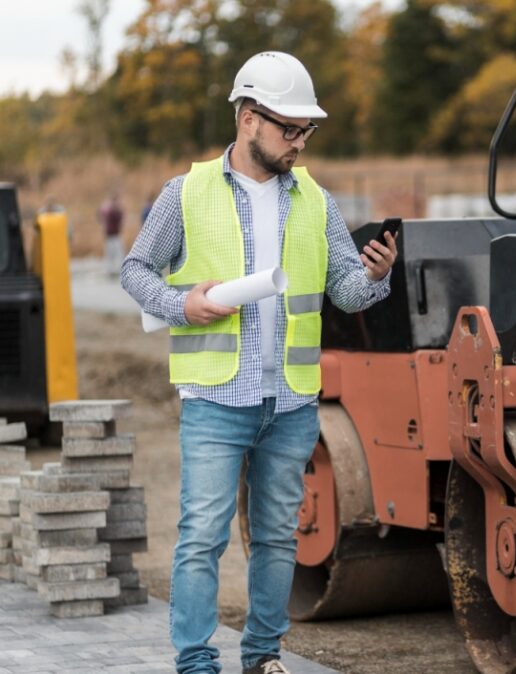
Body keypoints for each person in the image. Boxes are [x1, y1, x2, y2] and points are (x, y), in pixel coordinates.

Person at [121, 51, 398, 674]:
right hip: (216, 398)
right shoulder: (185, 193)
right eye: (289, 129)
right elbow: (134, 270)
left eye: (307, 131)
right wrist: (179, 304)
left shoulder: (316, 201)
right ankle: (196, 663)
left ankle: (262, 657)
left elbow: (344, 291)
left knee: (277, 539)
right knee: (201, 539)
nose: (300, 141)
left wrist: (375, 276)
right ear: (248, 119)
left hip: (292, 401)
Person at [99, 191, 124, 275]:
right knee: (110, 254)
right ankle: (109, 270)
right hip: (110, 235)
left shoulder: (110, 209)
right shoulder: (110, 210)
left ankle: (117, 269)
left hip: (115, 235)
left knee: (118, 253)